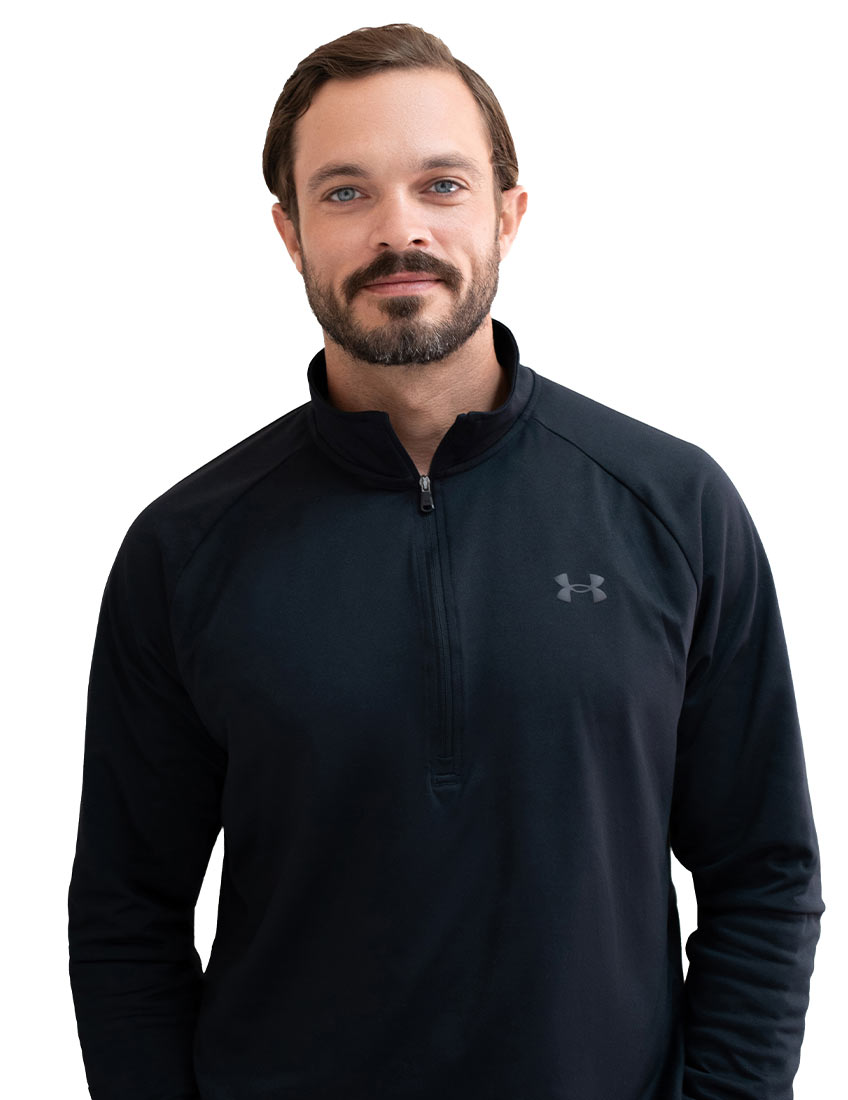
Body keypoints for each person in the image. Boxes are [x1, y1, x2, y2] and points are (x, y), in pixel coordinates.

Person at [68, 23, 823, 1100]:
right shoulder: (183, 549)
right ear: (288, 232)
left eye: (441, 184)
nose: (400, 229)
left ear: (507, 214)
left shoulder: (673, 506)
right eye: (345, 193)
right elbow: (125, 914)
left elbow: (764, 872)